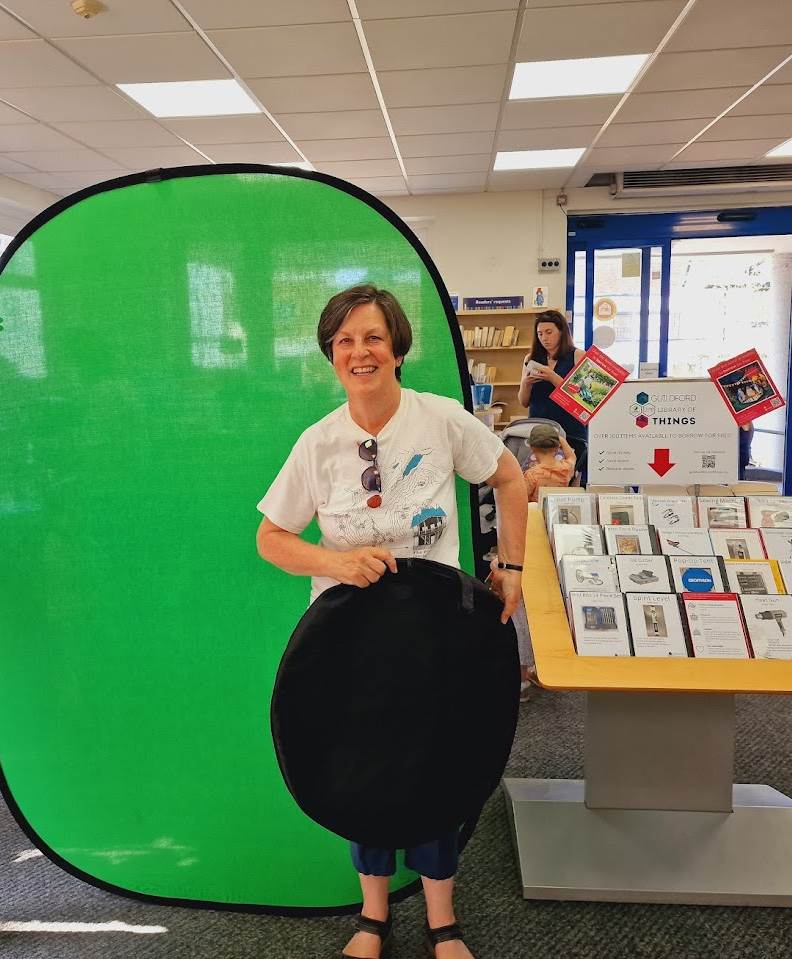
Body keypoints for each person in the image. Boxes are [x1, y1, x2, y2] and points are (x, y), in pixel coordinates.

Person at [256, 285, 526, 959]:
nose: (359, 352)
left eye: (372, 337)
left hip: (437, 643)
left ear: (397, 347)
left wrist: (512, 566)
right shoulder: (318, 442)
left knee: (438, 767)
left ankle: (443, 920)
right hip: (349, 648)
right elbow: (270, 537)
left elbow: (510, 477)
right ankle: (373, 915)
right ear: (330, 355)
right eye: (344, 341)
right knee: (362, 770)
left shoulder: (438, 421)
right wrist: (332, 561)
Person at [517, 309, 589, 477]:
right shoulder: (531, 359)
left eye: (549, 332)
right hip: (540, 430)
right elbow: (523, 401)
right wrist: (526, 385)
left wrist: (554, 378)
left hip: (571, 430)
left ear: (562, 331)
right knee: (540, 477)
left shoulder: (578, 355)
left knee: (569, 477)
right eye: (540, 334)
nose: (544, 338)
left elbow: (585, 400)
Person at [521, 424, 577, 502]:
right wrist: (562, 440)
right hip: (558, 511)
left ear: (532, 448)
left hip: (537, 513)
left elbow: (521, 499)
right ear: (557, 448)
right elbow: (572, 457)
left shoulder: (531, 474)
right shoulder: (566, 468)